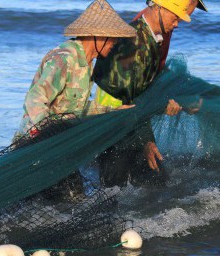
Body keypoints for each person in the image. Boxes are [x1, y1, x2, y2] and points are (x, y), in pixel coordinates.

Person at [16, 0, 136, 199]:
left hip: (59, 147)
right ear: (97, 36)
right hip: (35, 146)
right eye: (113, 38)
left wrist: (114, 111)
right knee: (55, 199)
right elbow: (35, 99)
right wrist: (47, 133)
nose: (115, 43)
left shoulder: (88, 64)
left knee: (73, 197)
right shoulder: (64, 58)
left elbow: (78, 108)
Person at [92, 0, 207, 187]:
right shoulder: (135, 43)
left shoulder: (151, 37)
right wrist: (147, 141)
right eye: (175, 17)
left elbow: (143, 89)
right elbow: (131, 98)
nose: (177, 24)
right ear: (158, 9)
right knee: (114, 191)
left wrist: (179, 104)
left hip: (129, 122)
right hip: (113, 125)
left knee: (154, 186)